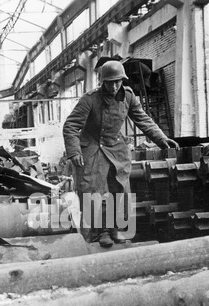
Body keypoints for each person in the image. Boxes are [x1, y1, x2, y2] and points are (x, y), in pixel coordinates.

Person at [63, 60, 179, 247]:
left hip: (115, 147)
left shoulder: (128, 97)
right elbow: (70, 126)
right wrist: (74, 151)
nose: (114, 86)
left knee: (119, 189)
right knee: (96, 190)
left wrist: (161, 138)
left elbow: (143, 119)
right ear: (102, 82)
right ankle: (101, 232)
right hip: (92, 147)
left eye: (118, 81)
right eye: (110, 82)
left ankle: (115, 228)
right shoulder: (90, 99)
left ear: (123, 80)